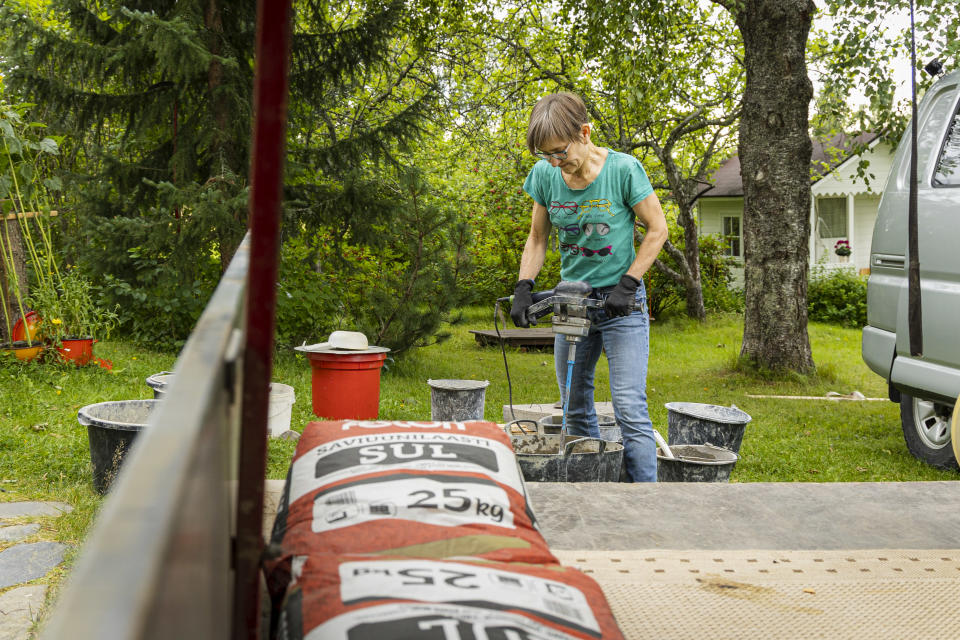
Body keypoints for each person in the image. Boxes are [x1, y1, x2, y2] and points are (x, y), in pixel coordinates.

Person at [509, 92, 668, 482]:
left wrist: (629, 283)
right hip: (572, 302)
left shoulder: (623, 170)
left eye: (560, 152)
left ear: (584, 132)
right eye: (545, 155)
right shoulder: (546, 176)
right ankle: (594, 489)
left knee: (629, 405)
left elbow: (657, 229)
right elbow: (537, 238)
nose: (554, 162)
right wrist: (524, 285)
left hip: (621, 304)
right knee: (575, 405)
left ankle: (647, 499)